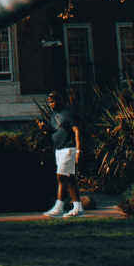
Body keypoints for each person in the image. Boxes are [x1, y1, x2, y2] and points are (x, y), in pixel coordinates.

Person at [36, 90, 84, 218]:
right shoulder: (53, 116)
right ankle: (78, 209)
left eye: (53, 101)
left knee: (61, 177)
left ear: (60, 99)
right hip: (59, 150)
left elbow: (77, 131)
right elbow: (51, 132)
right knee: (70, 179)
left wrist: (78, 151)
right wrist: (44, 128)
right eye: (50, 102)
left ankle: (59, 208)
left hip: (69, 149)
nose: (51, 104)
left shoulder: (70, 112)